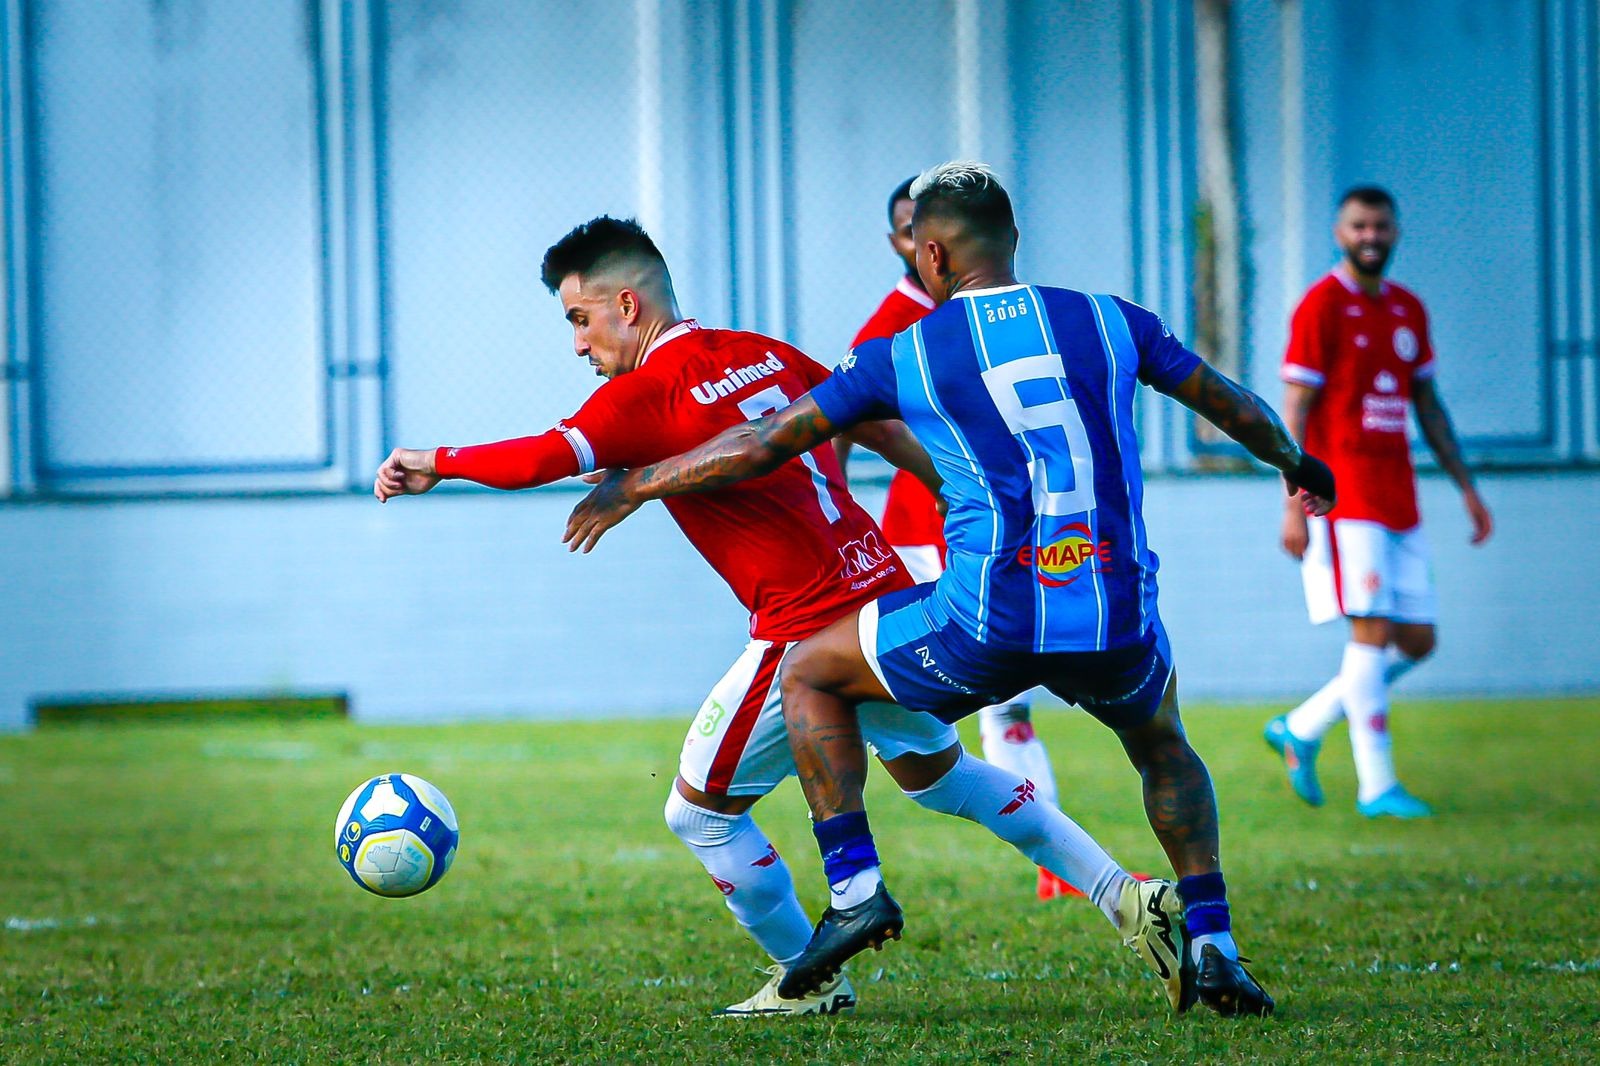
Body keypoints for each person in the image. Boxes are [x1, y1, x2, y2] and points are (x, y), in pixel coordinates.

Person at [566, 163, 1339, 1018]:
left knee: (813, 669)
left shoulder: (907, 351)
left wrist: (634, 486)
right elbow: (1226, 401)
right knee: (1163, 746)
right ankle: (1215, 946)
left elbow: (762, 444)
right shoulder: (1113, 321)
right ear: (1011, 237)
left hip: (988, 619)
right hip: (1116, 610)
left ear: (929, 254)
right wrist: (1298, 465)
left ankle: (856, 889)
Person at [374, 216, 1190, 1017]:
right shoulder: (761, 351)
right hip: (884, 592)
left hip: (804, 630)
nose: (578, 344)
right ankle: (1128, 897)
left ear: (627, 305)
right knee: (942, 780)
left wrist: (434, 463)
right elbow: (870, 420)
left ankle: (813, 977)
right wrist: (947, 484)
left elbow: (541, 459)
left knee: (696, 813)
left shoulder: (645, 394)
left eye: (579, 320)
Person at [853, 177, 1069, 901]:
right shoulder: (895, 323)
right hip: (927, 534)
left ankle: (1053, 854)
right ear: (903, 246)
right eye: (910, 230)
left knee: (1006, 700)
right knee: (969, 702)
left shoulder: (990, 316)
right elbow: (857, 415)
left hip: (995, 527)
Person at [1265, 186, 1494, 818]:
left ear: (1395, 232)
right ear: (1340, 233)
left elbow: (1429, 405)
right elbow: (1294, 411)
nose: (1371, 236)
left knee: (1417, 640)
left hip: (1400, 496)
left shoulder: (1407, 310)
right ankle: (1377, 787)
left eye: (1382, 226)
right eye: (1359, 226)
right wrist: (1291, 502)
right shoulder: (1320, 306)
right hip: (1342, 497)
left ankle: (1303, 726)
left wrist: (1468, 489)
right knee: (1370, 632)